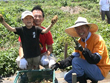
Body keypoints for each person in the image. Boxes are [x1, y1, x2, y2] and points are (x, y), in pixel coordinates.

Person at [51, 17, 110, 83]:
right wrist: (59, 64)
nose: (80, 31)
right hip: (89, 68)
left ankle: (85, 81)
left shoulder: (97, 39)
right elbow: (72, 58)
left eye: (82, 28)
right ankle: (90, 78)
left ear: (88, 28)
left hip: (100, 71)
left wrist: (83, 50)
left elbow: (95, 60)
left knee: (76, 61)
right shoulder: (80, 41)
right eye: (78, 29)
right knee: (67, 77)